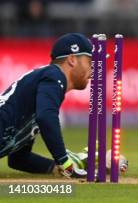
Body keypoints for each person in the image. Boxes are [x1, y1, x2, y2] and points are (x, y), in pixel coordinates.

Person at [0, 33, 91, 178]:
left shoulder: (43, 84)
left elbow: (18, 159)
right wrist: (65, 163)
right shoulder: (54, 75)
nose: (92, 69)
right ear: (72, 59)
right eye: (89, 62)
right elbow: (46, 117)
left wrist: (54, 168)